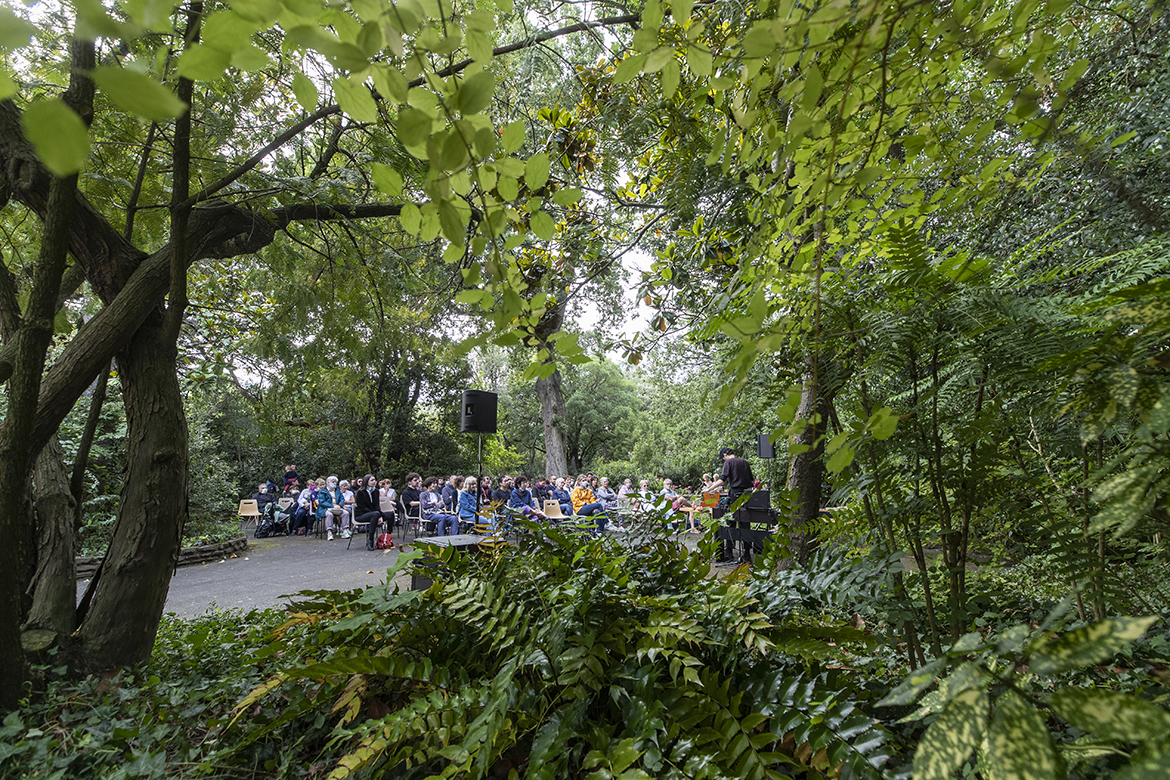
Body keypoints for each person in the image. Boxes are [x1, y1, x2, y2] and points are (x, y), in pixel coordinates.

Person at [711, 447, 756, 563]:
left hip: (735, 493)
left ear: (725, 455)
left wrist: (709, 489)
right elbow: (752, 481)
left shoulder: (729, 463)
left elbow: (722, 480)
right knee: (745, 525)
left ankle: (729, 553)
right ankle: (746, 554)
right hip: (747, 494)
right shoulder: (744, 462)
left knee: (730, 523)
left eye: (723, 458)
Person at [355, 474, 394, 550]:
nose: (374, 482)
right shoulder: (360, 492)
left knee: (390, 514)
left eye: (374, 480)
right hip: (362, 515)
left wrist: (381, 516)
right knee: (375, 514)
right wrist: (377, 515)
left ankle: (388, 537)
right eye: (372, 480)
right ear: (367, 482)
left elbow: (377, 506)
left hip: (374, 514)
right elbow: (362, 507)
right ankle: (370, 539)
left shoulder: (376, 492)